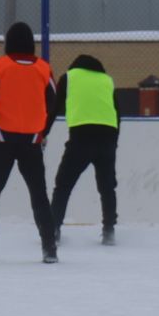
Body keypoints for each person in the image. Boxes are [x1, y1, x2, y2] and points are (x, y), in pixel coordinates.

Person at [0, 21, 58, 265]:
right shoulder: (43, 69)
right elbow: (54, 104)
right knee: (39, 196)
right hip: (31, 142)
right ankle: (50, 249)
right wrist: (42, 132)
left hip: (1, 141)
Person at [49, 53, 120, 246]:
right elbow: (117, 111)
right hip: (107, 137)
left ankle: (53, 229)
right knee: (107, 187)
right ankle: (109, 231)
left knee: (63, 185)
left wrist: (42, 133)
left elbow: (54, 108)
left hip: (81, 137)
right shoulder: (107, 80)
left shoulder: (69, 77)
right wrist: (115, 142)